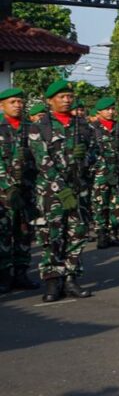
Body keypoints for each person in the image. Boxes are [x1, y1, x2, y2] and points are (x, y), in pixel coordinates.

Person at [29, 79, 95, 302]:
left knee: (77, 235)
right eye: (61, 97)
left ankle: (71, 278)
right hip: (52, 193)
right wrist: (61, 188)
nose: (67, 100)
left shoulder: (83, 125)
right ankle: (52, 281)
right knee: (52, 236)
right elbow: (42, 160)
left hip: (78, 190)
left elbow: (94, 155)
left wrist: (83, 157)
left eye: (69, 96)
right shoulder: (40, 126)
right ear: (50, 101)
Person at [0, 87, 40, 294]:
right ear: (2, 105)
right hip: (3, 193)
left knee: (24, 232)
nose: (17, 105)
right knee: (3, 234)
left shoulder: (30, 127)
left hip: (26, 190)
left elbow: (40, 158)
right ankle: (4, 276)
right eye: (12, 102)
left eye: (19, 102)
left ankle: (22, 273)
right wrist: (8, 185)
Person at [89, 96, 119, 249]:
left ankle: (113, 234)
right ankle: (101, 235)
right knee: (100, 204)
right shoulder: (93, 129)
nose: (111, 112)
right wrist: (101, 169)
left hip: (116, 172)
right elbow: (90, 154)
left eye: (112, 109)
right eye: (107, 109)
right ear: (99, 112)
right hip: (100, 174)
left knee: (116, 205)